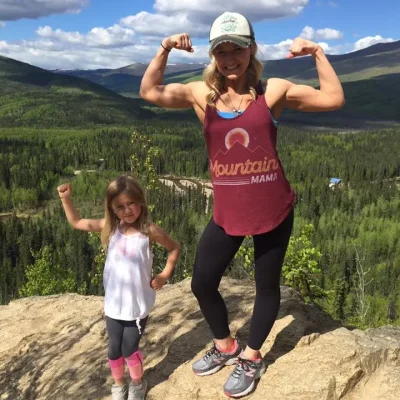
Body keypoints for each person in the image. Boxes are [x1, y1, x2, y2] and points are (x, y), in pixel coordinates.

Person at [140, 10, 344, 398]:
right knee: (202, 283)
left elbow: (334, 98)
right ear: (213, 55)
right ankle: (225, 346)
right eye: (222, 51)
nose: (230, 58)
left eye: (238, 49)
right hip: (228, 211)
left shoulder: (274, 91)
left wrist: (317, 51)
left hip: (273, 208)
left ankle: (252, 356)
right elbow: (149, 92)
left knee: (267, 287)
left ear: (252, 50)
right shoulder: (203, 96)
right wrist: (164, 47)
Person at [57, 175, 180, 400]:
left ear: (140, 201)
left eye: (131, 203)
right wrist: (66, 200)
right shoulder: (110, 228)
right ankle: (118, 384)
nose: (127, 210)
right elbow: (77, 222)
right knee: (114, 349)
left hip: (137, 305)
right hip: (113, 306)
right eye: (120, 206)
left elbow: (174, 248)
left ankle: (137, 383)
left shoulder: (148, 230)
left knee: (129, 349)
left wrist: (164, 274)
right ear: (112, 209)